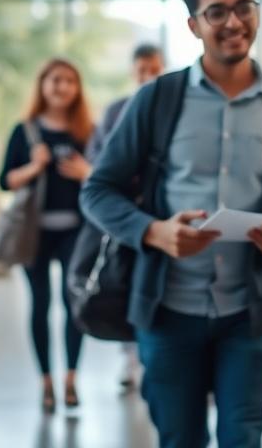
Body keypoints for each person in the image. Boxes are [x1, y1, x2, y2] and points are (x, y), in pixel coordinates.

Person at [81, 0, 262, 448]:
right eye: (216, 12)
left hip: (250, 314)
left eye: (244, 6)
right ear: (193, 24)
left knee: (242, 437)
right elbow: (97, 190)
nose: (233, 21)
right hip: (167, 312)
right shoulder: (156, 101)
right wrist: (153, 231)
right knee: (178, 438)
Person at [0, 58, 95, 411]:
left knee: (74, 305)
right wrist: (34, 167)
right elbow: (5, 181)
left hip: (76, 233)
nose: (62, 87)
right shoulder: (24, 131)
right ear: (42, 85)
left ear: (77, 88)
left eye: (69, 81)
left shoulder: (88, 132)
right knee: (39, 306)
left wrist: (87, 172)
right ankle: (46, 382)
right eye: (55, 80)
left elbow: (105, 181)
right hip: (34, 234)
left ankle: (71, 379)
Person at [84, 42, 165, 390]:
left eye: (154, 69)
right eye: (141, 69)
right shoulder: (117, 110)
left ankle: (150, 359)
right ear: (133, 71)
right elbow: (100, 167)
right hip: (125, 217)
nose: (147, 75)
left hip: (160, 215)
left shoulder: (172, 108)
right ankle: (129, 357)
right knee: (122, 284)